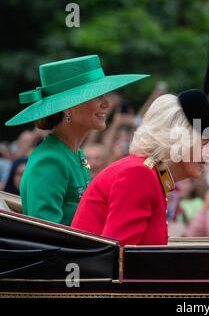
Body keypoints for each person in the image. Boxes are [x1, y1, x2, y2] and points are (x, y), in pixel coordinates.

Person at [72, 37, 209, 246]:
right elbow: (118, 258)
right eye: (205, 143)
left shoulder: (152, 175)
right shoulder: (140, 175)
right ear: (181, 140)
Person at [5, 55, 149, 225]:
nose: (107, 104)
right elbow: (46, 236)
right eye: (97, 96)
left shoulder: (75, 153)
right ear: (69, 107)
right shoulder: (50, 160)